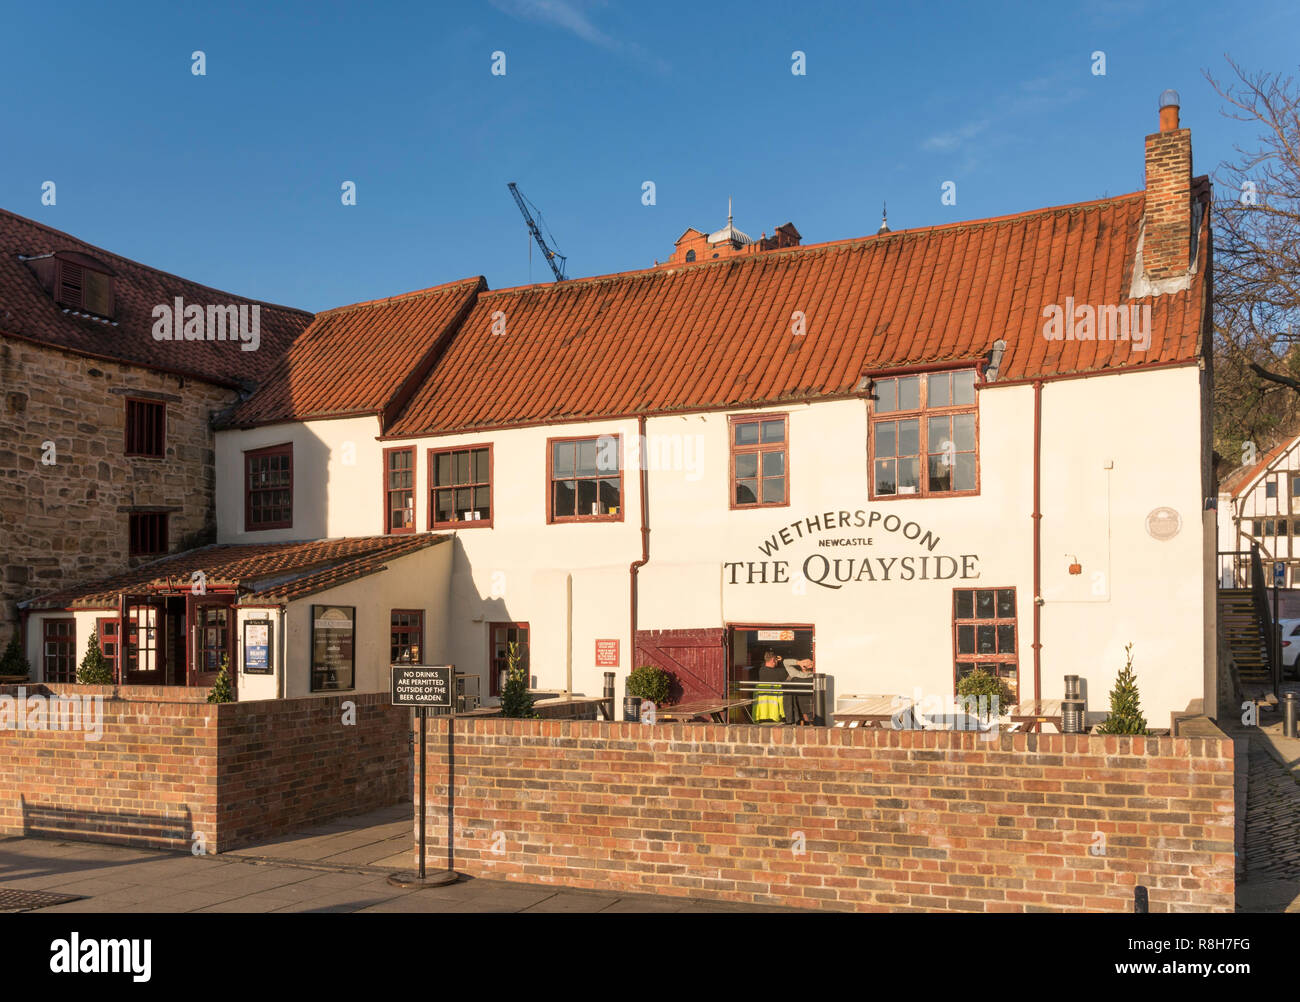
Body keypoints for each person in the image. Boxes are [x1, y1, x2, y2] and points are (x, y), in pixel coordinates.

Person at [782, 656, 816, 724]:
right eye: (805, 663)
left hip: (811, 703)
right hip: (799, 703)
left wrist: (813, 663)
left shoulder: (815, 674)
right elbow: (785, 662)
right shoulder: (796, 673)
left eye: (809, 663)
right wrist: (798, 662)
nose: (807, 664)